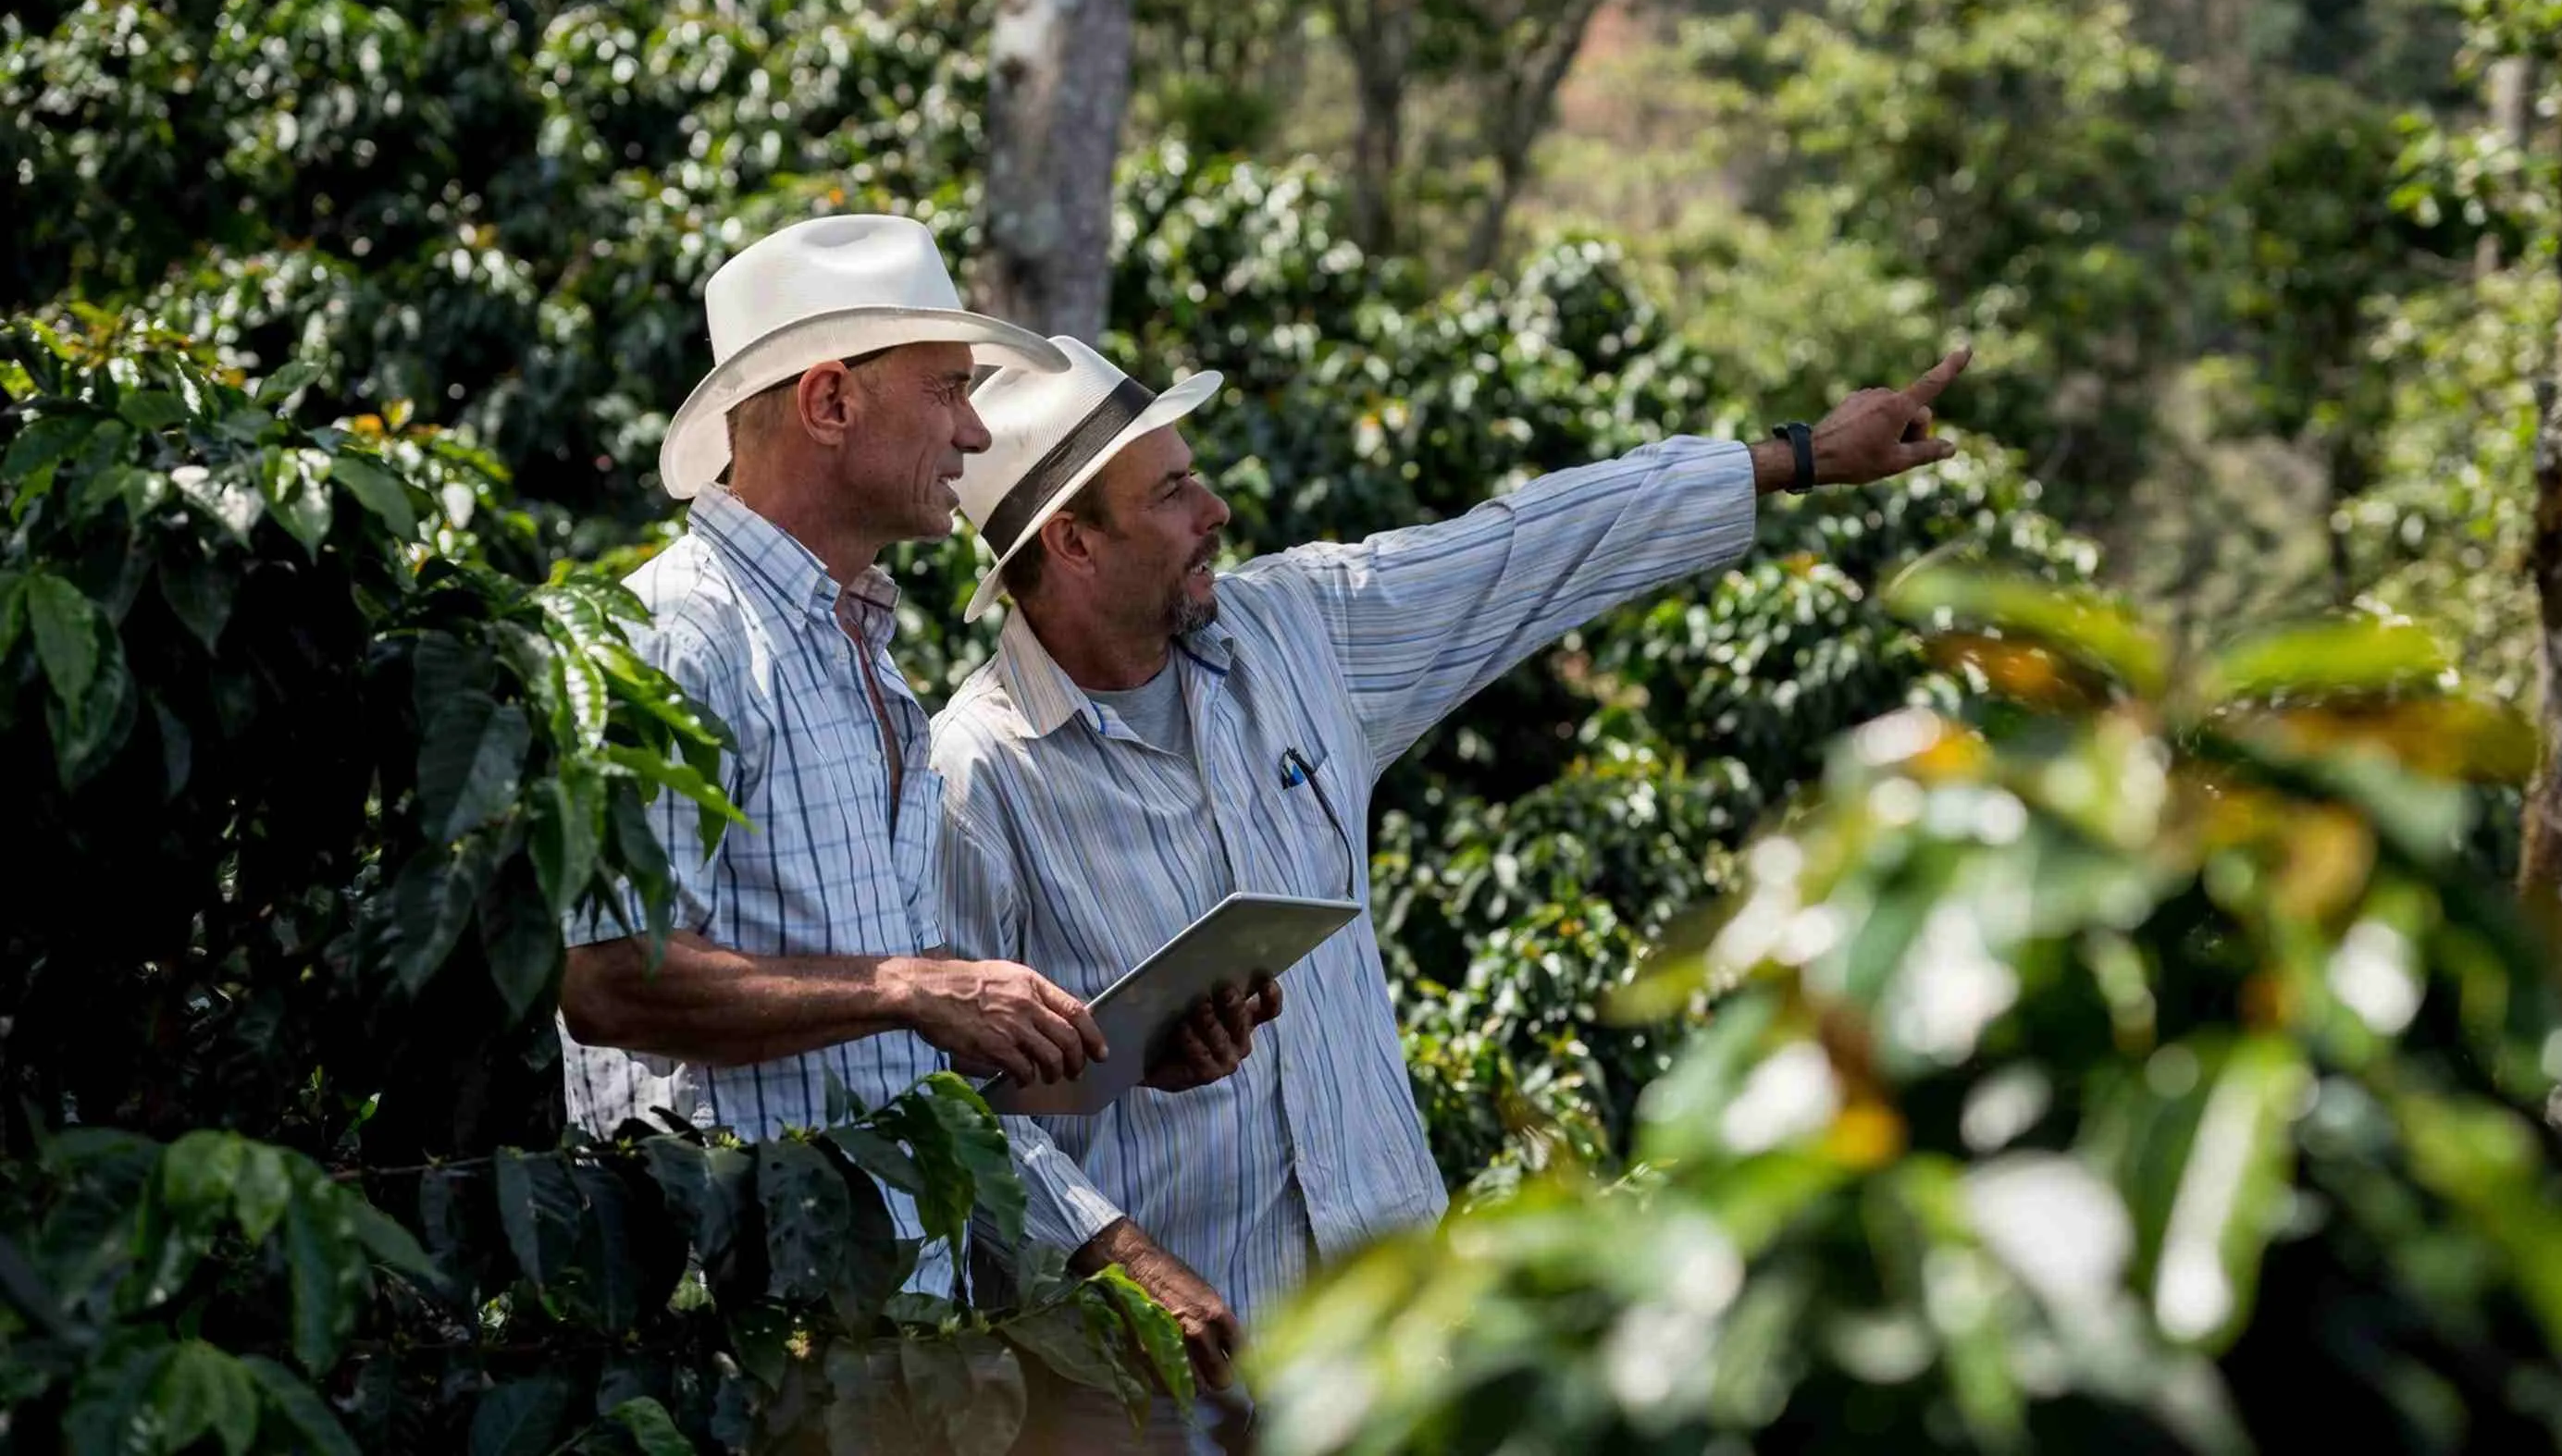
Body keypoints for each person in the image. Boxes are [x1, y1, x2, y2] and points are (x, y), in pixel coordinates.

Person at [931, 331, 1973, 1447]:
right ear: (1075, 543)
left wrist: (1790, 458)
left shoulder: (1296, 635)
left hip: (1396, 1341)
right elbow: (939, 1113)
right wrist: (1120, 1255)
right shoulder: (977, 780)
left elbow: (1525, 548)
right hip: (1151, 1394)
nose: (1217, 510)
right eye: (1175, 490)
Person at [554, 213, 1131, 1296]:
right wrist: (912, 986)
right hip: (743, 1323)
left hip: (884, 1326)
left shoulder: (865, 657)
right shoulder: (680, 633)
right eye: (946, 391)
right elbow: (611, 979)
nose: (972, 435)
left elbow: (883, 1018)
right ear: (828, 402)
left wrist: (1089, 1044)